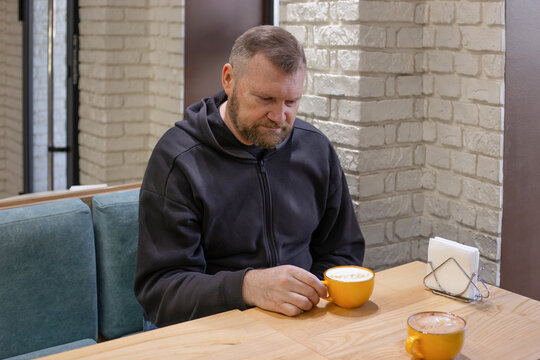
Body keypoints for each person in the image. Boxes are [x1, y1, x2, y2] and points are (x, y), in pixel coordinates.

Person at [135, 25, 365, 329]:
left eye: (291, 102)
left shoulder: (315, 148)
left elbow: (342, 251)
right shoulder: (178, 159)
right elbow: (160, 292)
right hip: (210, 328)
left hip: (300, 322)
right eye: (265, 99)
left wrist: (311, 302)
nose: (280, 117)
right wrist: (249, 287)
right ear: (229, 79)